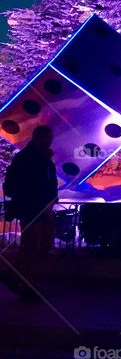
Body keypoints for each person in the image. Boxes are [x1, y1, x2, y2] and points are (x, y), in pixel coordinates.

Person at [0, 125, 58, 303]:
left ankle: (17, 276)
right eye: (46, 138)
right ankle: (26, 283)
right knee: (33, 245)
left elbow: (48, 182)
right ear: (38, 138)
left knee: (40, 244)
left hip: (40, 207)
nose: (49, 141)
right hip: (32, 208)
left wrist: (51, 199)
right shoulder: (28, 158)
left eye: (50, 138)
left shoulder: (42, 158)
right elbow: (13, 184)